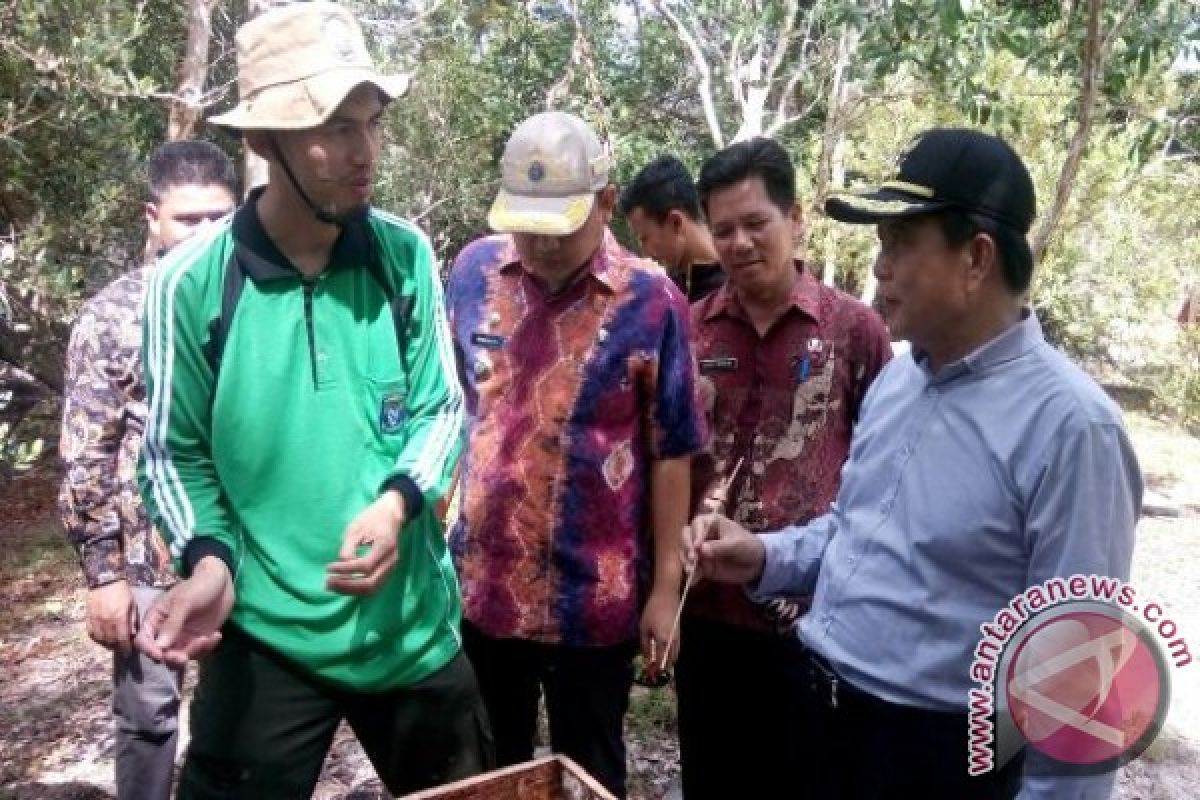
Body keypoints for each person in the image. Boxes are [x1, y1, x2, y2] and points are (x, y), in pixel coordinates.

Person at [683, 128, 1142, 799]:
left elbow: (1080, 678)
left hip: (933, 757)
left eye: (900, 244)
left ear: (976, 258)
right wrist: (762, 555)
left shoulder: (1073, 428)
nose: (880, 268)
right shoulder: (901, 383)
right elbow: (853, 532)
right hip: (823, 723)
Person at [134, 4, 491, 797]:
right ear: (263, 142)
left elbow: (439, 410)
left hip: (407, 630)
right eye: (335, 128)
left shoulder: (401, 253)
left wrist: (398, 503)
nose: (365, 153)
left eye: (372, 123)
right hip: (265, 631)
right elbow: (172, 452)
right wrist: (210, 560)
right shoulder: (189, 285)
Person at [445, 111, 707, 798]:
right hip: (485, 592)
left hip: (594, 602)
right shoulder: (474, 271)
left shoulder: (654, 303)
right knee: (491, 768)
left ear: (607, 204)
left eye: (559, 227)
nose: (540, 245)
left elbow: (672, 451)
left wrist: (664, 591)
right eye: (527, 225)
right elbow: (452, 411)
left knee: (589, 771)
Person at [675, 137, 891, 800]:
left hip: (815, 620)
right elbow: (670, 459)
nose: (739, 243)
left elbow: (885, 469)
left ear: (795, 219)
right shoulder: (690, 330)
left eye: (756, 224)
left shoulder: (855, 331)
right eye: (724, 229)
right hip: (708, 611)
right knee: (713, 780)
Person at [59, 140, 237, 800]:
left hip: (244, 558)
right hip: (147, 566)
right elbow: (85, 449)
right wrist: (103, 574)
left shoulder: (256, 300)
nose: (206, 233)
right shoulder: (114, 315)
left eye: (220, 216)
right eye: (189, 219)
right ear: (152, 217)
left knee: (241, 723)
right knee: (148, 721)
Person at [619, 155, 724, 301]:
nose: (646, 252)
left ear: (676, 223)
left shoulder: (738, 282)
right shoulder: (672, 287)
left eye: (644, 238)